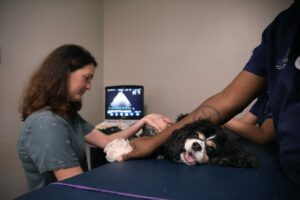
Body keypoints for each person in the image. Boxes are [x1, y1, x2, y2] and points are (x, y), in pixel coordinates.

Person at [122, 1, 300, 188]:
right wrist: (156, 140)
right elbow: (227, 102)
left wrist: (214, 121)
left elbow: (262, 134)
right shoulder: (283, 28)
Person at [17, 44, 172, 191]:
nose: (90, 86)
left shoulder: (68, 115)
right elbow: (76, 187)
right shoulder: (47, 123)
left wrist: (143, 121)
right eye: (86, 78)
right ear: (63, 75)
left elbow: (106, 141)